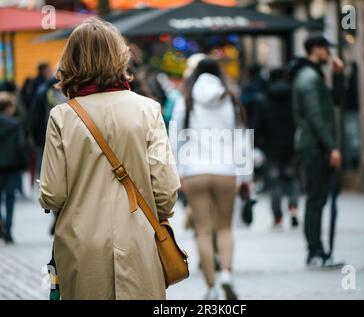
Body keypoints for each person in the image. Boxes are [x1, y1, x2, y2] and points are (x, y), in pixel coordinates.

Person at [38, 18, 180, 299]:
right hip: (139, 242)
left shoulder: (62, 117)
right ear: (120, 57)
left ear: (72, 60)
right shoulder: (148, 110)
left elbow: (52, 194)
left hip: (81, 246)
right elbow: (165, 190)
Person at [170, 58, 250, 300]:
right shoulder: (231, 101)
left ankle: (211, 287)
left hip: (195, 171)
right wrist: (245, 175)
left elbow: (175, 138)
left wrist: (178, 172)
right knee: (225, 228)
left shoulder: (186, 100)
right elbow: (242, 138)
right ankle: (226, 273)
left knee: (203, 231)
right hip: (226, 171)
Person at [291, 35, 344, 269]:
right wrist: (331, 146)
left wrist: (339, 75)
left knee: (318, 199)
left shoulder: (314, 75)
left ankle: (317, 251)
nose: (328, 54)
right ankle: (315, 252)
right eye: (326, 50)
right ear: (316, 49)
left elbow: (337, 100)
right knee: (315, 199)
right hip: (313, 146)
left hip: (314, 144)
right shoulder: (309, 78)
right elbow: (315, 116)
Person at [256, 67, 299, 228]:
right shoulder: (293, 97)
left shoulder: (263, 99)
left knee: (275, 183)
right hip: (291, 146)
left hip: (271, 148)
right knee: (292, 178)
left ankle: (278, 216)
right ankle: (294, 208)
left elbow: (257, 126)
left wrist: (260, 145)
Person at [0, 92, 28, 244]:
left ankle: (1, 221)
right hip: (12, 166)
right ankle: (9, 230)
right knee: (10, 199)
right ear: (8, 108)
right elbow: (21, 146)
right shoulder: (16, 124)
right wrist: (24, 163)